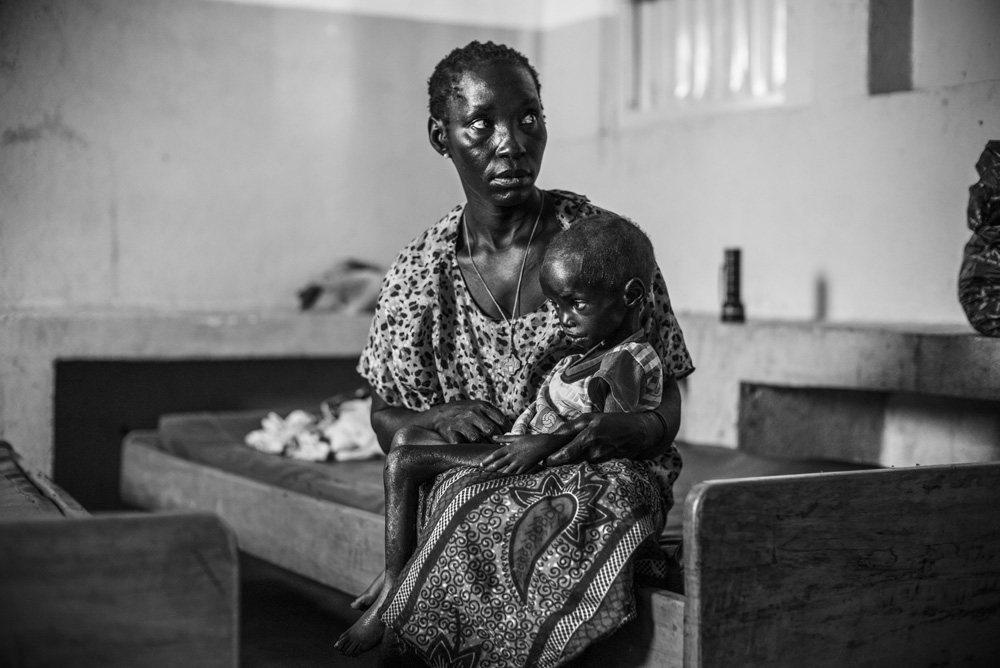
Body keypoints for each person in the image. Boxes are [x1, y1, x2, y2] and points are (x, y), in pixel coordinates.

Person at [345, 40, 693, 668]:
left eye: (529, 117)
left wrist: (629, 427)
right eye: (481, 123)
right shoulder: (418, 277)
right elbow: (385, 417)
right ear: (440, 135)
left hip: (595, 467)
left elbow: (664, 386)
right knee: (467, 505)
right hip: (490, 467)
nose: (511, 141)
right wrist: (436, 417)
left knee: (531, 522)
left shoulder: (599, 247)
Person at [334, 213, 666, 657]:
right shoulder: (589, 355)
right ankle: (402, 574)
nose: (562, 319)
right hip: (530, 447)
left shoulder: (628, 362)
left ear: (630, 296)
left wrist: (541, 443)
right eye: (556, 306)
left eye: (575, 305)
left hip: (552, 463)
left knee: (405, 461)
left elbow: (603, 436)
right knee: (407, 436)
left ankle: (398, 588)